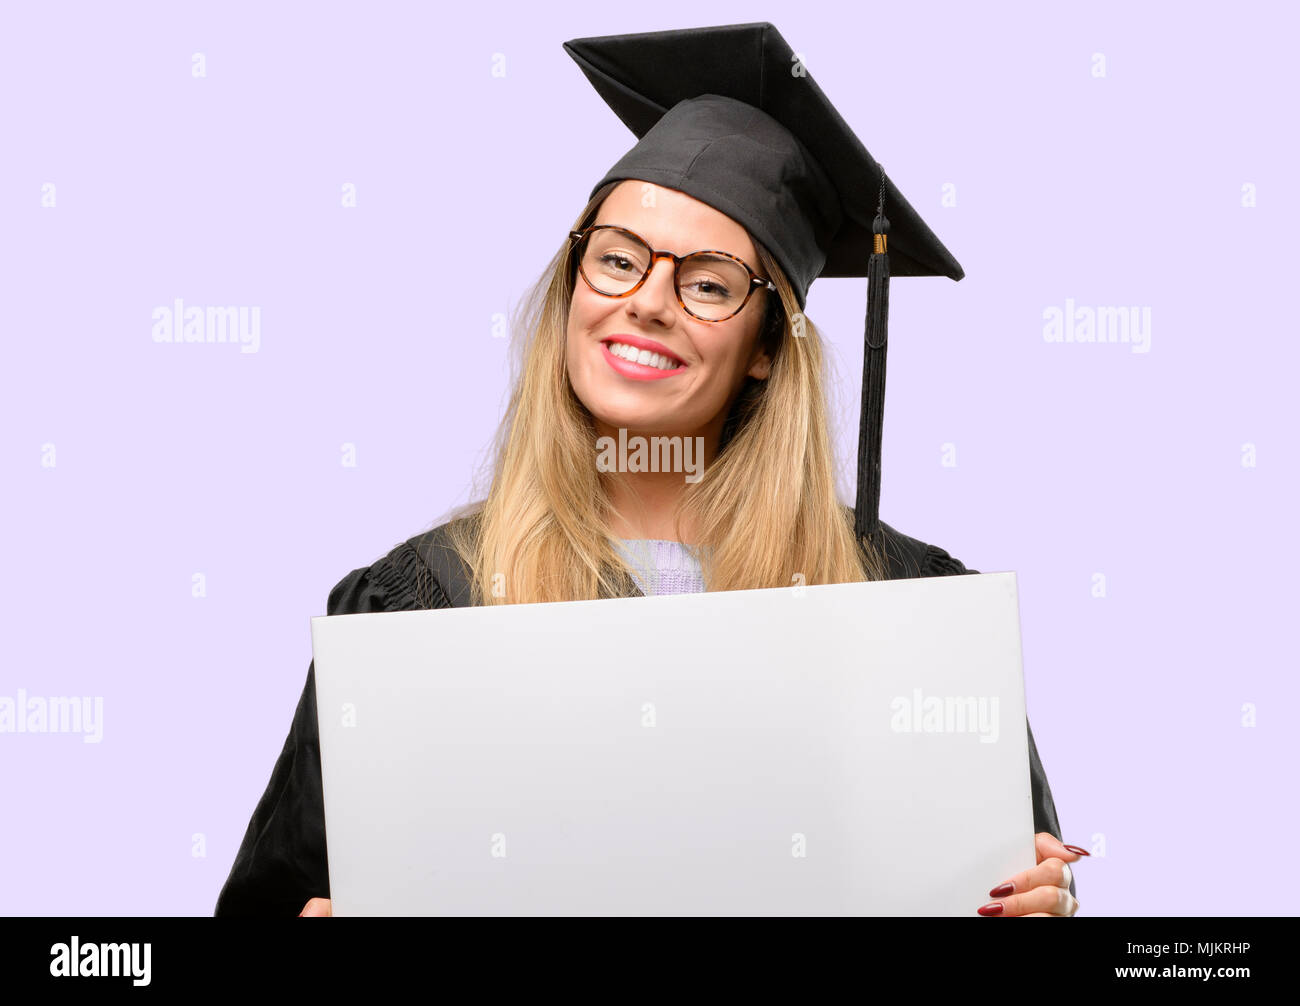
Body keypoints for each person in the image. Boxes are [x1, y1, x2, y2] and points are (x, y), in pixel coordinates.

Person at [216, 22, 1086, 918]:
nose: (646, 302)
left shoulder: (912, 611)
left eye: (708, 283)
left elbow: (999, 881)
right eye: (618, 259)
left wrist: (1041, 907)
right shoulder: (418, 604)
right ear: (572, 285)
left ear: (765, 347)